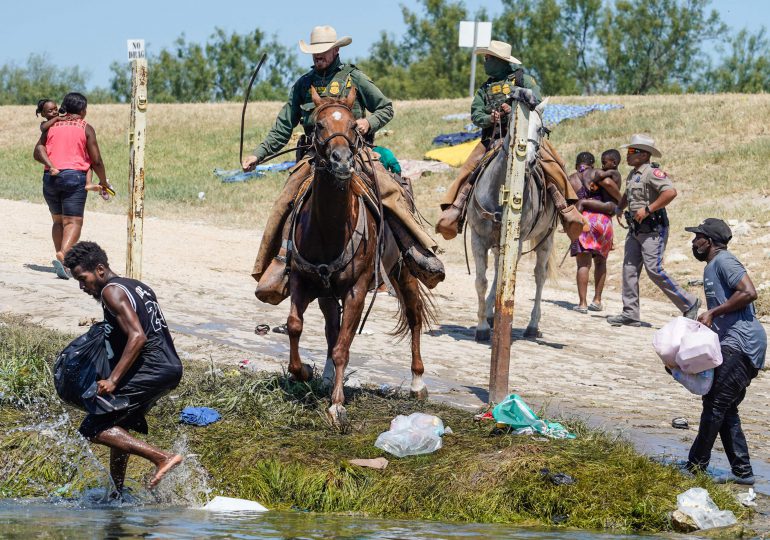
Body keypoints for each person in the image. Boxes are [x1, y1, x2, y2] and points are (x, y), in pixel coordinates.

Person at [242, 26, 443, 304]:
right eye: (314, 53)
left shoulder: (354, 78)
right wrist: (258, 154)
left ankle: (415, 250)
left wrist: (367, 122)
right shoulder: (303, 84)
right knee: (285, 199)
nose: (318, 57)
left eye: (322, 51)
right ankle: (276, 263)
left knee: (389, 191)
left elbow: (385, 107)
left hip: (355, 153)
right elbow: (282, 128)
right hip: (315, 158)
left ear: (336, 50)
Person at [64, 241, 183, 495]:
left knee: (92, 427)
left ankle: (161, 457)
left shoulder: (111, 292)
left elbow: (138, 336)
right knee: (119, 421)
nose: (82, 287)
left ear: (99, 269)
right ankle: (116, 492)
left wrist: (114, 380)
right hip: (169, 366)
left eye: (82, 279)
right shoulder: (138, 287)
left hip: (152, 368)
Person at [684, 218, 766, 485]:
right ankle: (743, 473)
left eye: (697, 237)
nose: (693, 242)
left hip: (742, 344)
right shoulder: (712, 266)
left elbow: (749, 292)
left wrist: (714, 312)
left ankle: (695, 467)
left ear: (709, 241)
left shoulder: (724, 261)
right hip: (731, 343)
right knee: (726, 407)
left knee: (715, 404)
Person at [435, 40, 541, 240]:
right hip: (492, 139)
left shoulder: (523, 79)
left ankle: (566, 209)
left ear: (500, 61)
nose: (484, 63)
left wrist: (515, 106)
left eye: (487, 59)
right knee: (467, 169)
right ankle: (455, 209)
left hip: (526, 136)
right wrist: (490, 118)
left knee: (554, 165)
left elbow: (536, 101)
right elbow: (476, 114)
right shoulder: (485, 88)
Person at [607, 134, 700, 326]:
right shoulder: (634, 174)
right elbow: (628, 193)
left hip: (653, 229)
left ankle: (689, 303)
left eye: (632, 151)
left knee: (654, 270)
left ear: (643, 155)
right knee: (629, 269)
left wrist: (649, 209)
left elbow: (670, 192)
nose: (628, 155)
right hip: (636, 229)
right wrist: (620, 207)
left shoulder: (652, 173)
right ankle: (630, 313)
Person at [33, 93, 112, 280]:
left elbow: (37, 152)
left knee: (58, 221)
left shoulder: (51, 126)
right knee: (73, 222)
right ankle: (64, 255)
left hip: (50, 177)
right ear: (83, 110)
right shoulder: (86, 128)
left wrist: (52, 165)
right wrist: (102, 180)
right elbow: (97, 160)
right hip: (74, 177)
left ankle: (61, 261)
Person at [567, 151, 621, 313]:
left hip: (582, 220)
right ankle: (597, 300)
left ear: (577, 165)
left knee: (583, 263)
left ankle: (582, 303)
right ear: (593, 163)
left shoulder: (571, 179)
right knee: (600, 261)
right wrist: (621, 201)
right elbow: (610, 184)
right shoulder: (596, 172)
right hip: (602, 220)